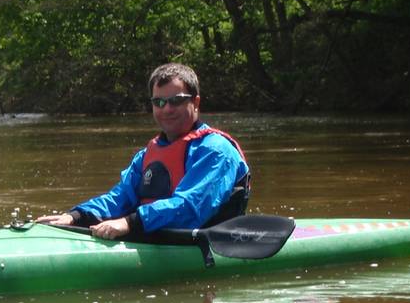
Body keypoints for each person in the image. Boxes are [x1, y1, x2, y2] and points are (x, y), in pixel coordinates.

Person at [36, 63, 250, 239]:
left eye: (176, 100)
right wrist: (75, 216)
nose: (167, 109)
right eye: (159, 102)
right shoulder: (146, 155)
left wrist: (130, 222)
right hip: (154, 236)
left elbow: (189, 208)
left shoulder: (216, 151)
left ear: (195, 102)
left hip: (199, 244)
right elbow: (120, 198)